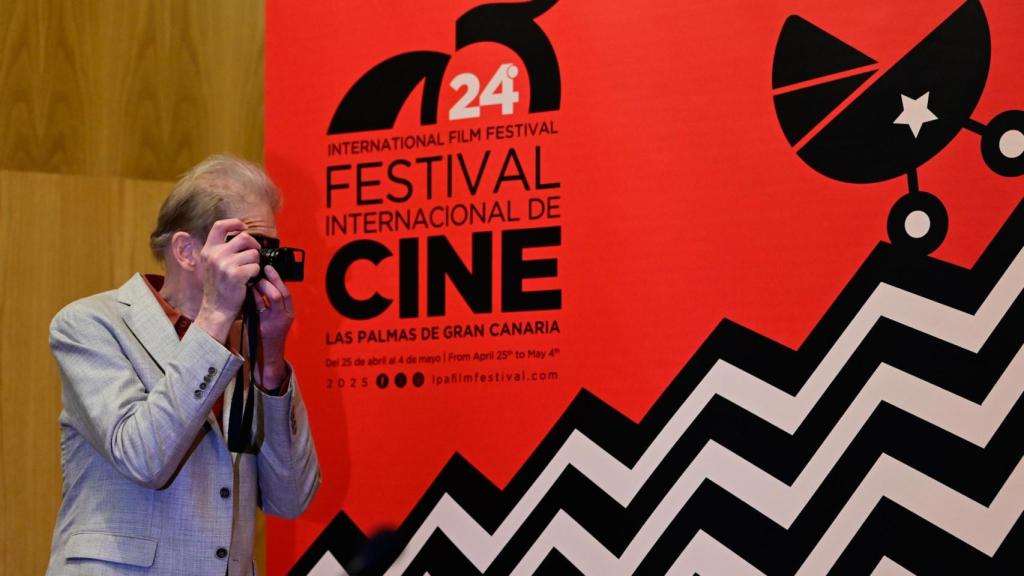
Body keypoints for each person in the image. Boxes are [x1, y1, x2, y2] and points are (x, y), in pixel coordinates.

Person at [45, 155, 321, 575]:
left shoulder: (247, 344)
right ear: (187, 250)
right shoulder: (91, 325)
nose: (260, 264)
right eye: (246, 245)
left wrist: (270, 360)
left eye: (268, 249)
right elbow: (143, 458)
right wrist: (213, 319)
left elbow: (291, 498)